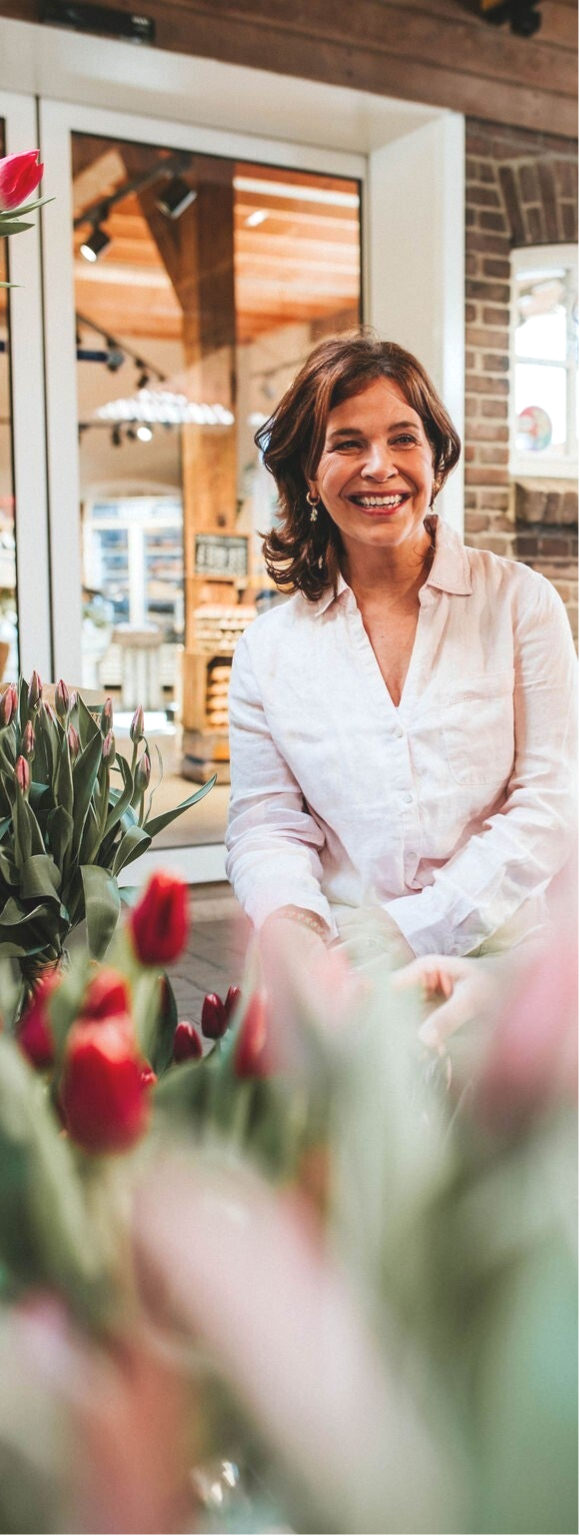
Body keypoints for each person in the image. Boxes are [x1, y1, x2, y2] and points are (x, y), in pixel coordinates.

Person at [225, 332, 578, 977]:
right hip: (342, 956)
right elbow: (266, 825)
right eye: (347, 443)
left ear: (437, 463)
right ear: (309, 473)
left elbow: (551, 802)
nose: (378, 466)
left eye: (403, 438)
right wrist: (295, 928)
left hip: (500, 962)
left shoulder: (521, 604)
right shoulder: (266, 652)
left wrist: (413, 929)